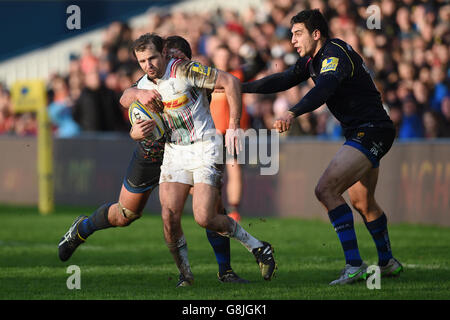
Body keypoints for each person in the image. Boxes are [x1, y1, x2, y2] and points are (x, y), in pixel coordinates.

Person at [57, 36, 250, 285]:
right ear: (166, 55)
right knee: (125, 214)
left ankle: (225, 271)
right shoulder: (152, 77)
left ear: (188, 60)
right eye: (172, 56)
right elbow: (125, 97)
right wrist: (136, 104)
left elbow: (229, 83)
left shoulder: (195, 77)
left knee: (211, 209)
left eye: (181, 58)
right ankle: (82, 229)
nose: (176, 62)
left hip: (186, 152)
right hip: (151, 153)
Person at [242, 9, 403, 285]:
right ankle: (387, 261)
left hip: (371, 131)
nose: (292, 40)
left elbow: (324, 89)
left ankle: (354, 265)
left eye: (297, 33)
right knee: (363, 203)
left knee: (326, 189)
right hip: (365, 131)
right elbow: (282, 80)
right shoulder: (313, 60)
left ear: (316, 34)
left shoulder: (333, 54)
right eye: (291, 34)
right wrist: (240, 86)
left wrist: (292, 112)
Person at [120, 33, 276, 286]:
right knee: (169, 217)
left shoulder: (184, 70)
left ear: (164, 54)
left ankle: (259, 247)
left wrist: (235, 124)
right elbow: (124, 97)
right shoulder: (145, 85)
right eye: (142, 61)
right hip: (174, 151)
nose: (148, 65)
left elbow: (231, 81)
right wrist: (136, 96)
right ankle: (186, 276)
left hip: (205, 145)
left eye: (152, 58)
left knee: (205, 216)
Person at [209, 44, 265, 222]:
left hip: (233, 132)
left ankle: (234, 209)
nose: (223, 60)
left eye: (226, 56)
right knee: (210, 172)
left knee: (234, 169)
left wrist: (248, 50)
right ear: (214, 58)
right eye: (220, 56)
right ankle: (212, 206)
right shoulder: (206, 78)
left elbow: (259, 64)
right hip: (211, 133)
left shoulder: (237, 76)